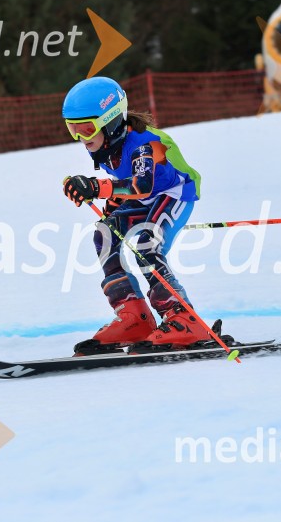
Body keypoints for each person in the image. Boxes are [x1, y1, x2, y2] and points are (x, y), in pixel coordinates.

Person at [61, 76, 208, 355]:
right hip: (146, 197)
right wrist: (111, 202)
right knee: (104, 234)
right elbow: (126, 183)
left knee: (146, 244)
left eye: (87, 128)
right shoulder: (106, 146)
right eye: (73, 129)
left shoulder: (146, 143)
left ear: (112, 120)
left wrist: (96, 186)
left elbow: (142, 184)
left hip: (175, 193)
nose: (82, 138)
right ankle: (134, 317)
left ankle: (184, 318)